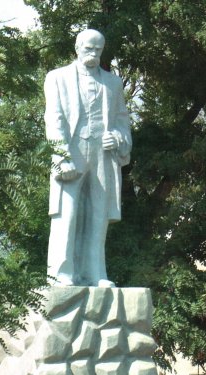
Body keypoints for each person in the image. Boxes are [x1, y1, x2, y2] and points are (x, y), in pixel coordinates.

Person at [45, 29, 132, 287]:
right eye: (88, 48)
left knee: (98, 216)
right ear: (77, 47)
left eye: (97, 49)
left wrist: (116, 138)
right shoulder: (57, 78)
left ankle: (95, 273)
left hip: (102, 156)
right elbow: (54, 119)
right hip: (72, 151)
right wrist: (62, 156)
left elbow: (122, 122)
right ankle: (61, 273)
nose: (93, 53)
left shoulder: (113, 83)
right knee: (67, 214)